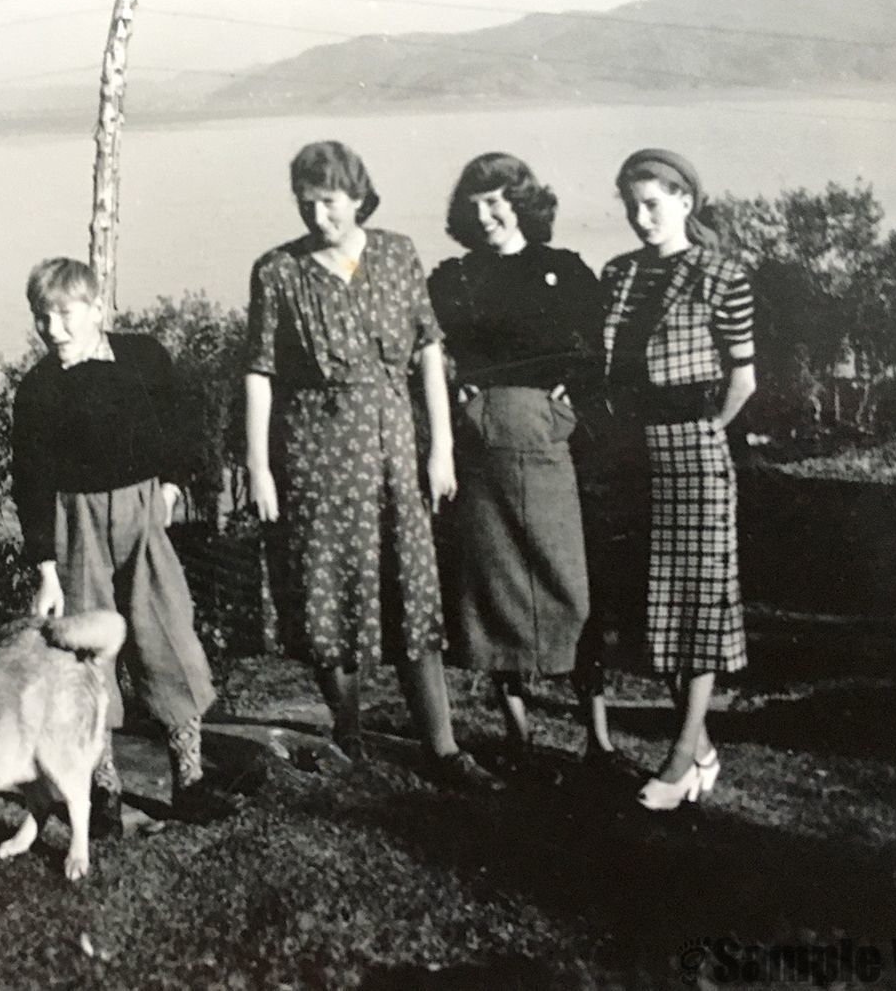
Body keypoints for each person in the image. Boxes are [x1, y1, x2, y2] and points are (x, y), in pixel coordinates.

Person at [244, 140, 497, 791]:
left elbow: (430, 354)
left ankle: (442, 749)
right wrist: (258, 467)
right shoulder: (277, 272)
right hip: (313, 455)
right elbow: (259, 373)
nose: (316, 215)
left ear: (357, 196)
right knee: (329, 591)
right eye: (306, 202)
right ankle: (349, 736)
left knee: (412, 587)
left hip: (391, 448)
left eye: (328, 201)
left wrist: (440, 446)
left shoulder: (396, 254)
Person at [11, 257, 238, 832]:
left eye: (64, 315)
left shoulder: (143, 357)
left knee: (167, 635)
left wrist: (169, 487)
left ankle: (191, 782)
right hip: (74, 524)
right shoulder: (37, 390)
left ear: (96, 310)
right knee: (87, 657)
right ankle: (104, 795)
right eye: (42, 318)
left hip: (141, 514)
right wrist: (46, 569)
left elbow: (181, 423)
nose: (52, 330)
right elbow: (30, 480)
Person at [427, 152, 617, 770]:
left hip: (551, 448)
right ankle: (518, 734)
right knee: (495, 589)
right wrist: (463, 402)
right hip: (483, 453)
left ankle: (599, 738)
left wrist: (567, 405)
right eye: (475, 204)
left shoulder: (565, 270)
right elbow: (431, 354)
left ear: (524, 201)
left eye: (498, 200)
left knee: (573, 588)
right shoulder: (452, 279)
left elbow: (598, 356)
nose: (487, 215)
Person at [599, 149, 756, 810]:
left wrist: (703, 430)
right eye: (632, 206)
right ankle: (703, 748)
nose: (641, 219)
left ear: (686, 202)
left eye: (653, 205)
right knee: (656, 613)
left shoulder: (724, 276)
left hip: (694, 452)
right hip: (635, 455)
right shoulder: (619, 274)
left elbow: (745, 379)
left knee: (696, 612)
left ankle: (679, 761)